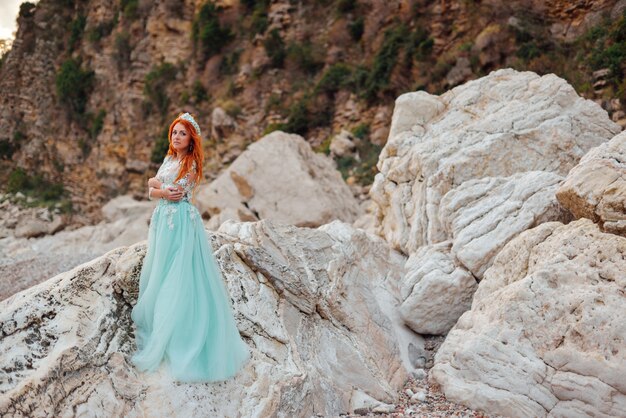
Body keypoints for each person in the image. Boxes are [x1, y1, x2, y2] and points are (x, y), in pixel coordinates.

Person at [130, 111, 251, 382]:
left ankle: (178, 336)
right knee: (160, 270)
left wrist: (156, 186)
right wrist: (158, 188)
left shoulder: (191, 164)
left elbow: (175, 193)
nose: (176, 137)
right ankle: (161, 323)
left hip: (180, 223)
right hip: (163, 221)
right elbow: (154, 190)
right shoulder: (170, 158)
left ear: (191, 139)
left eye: (182, 133)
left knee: (179, 275)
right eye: (174, 132)